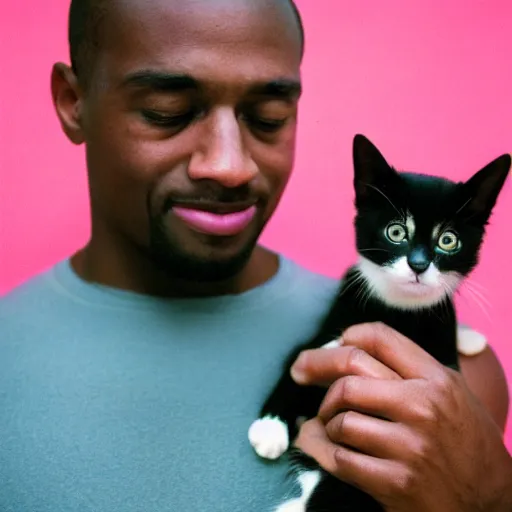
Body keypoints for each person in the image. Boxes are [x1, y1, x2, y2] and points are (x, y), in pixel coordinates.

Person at [0, 0, 510, 510]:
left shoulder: (443, 387)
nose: (229, 165)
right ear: (73, 101)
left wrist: (492, 496)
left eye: (269, 118)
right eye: (167, 113)